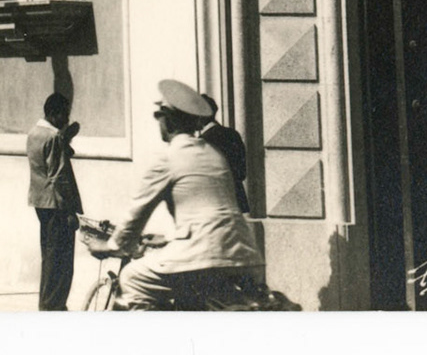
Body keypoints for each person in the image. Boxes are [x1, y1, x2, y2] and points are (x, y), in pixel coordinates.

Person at [92, 80, 265, 310]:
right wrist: (169, 240)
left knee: (133, 278)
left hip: (203, 257)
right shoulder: (214, 155)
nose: (158, 122)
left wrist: (112, 246)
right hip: (244, 255)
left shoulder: (168, 158)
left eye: (158, 116)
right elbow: (212, 214)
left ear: (169, 120)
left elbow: (136, 214)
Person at [26, 92, 84, 310]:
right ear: (53, 113)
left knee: (49, 256)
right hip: (58, 206)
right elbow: (59, 176)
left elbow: (46, 161)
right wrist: (71, 211)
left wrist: (65, 139)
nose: (66, 119)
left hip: (41, 203)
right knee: (61, 259)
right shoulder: (53, 137)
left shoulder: (33, 133)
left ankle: (47, 302)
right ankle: (55, 306)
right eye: (64, 115)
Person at [198, 93, 251, 214]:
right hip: (238, 201)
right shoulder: (233, 134)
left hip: (215, 205)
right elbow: (242, 172)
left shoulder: (202, 142)